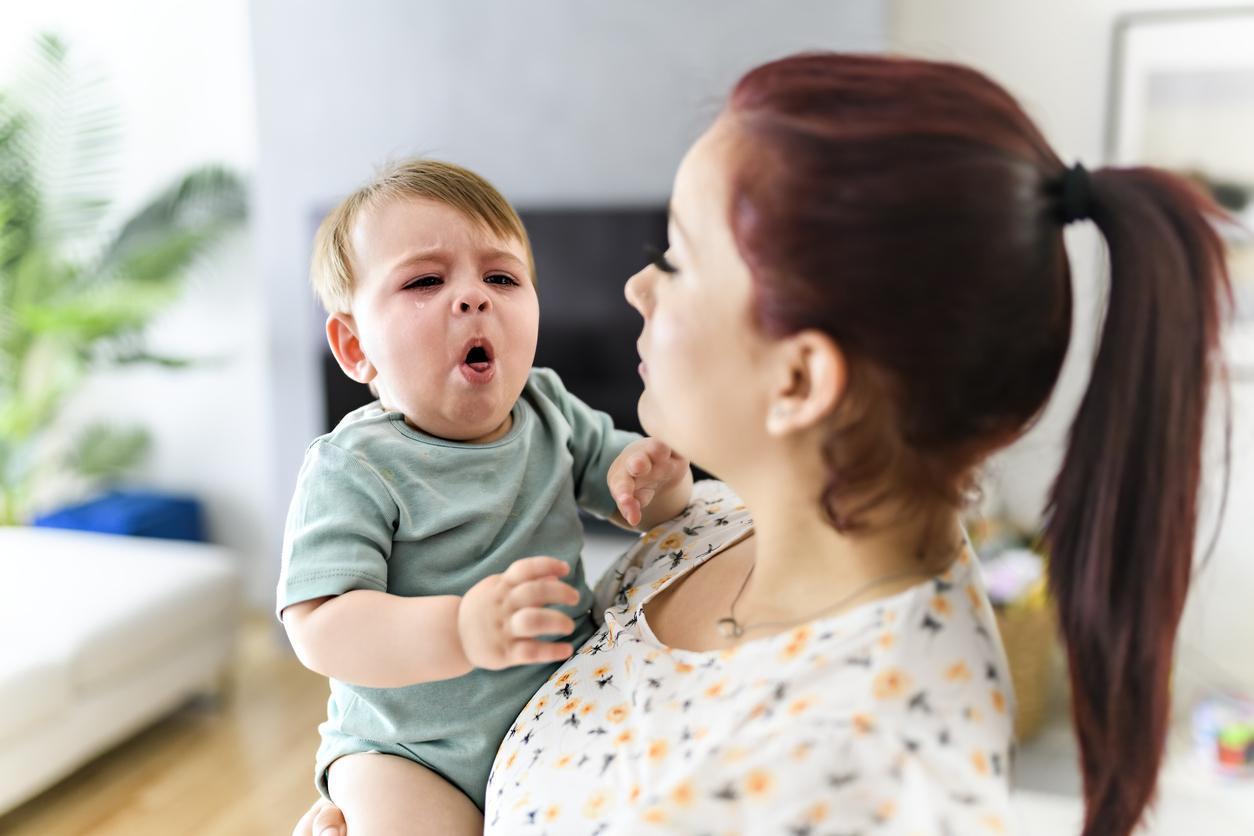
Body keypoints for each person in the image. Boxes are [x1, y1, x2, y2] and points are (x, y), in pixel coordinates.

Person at [294, 52, 1232, 836]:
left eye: (680, 256)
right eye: (422, 282)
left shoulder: (847, 771)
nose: (635, 288)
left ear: (799, 380)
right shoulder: (726, 524)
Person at [277, 159, 694, 833]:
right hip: (408, 753)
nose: (473, 297)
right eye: (424, 280)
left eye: (500, 277)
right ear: (355, 347)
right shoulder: (353, 465)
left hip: (556, 710)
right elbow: (320, 628)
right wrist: (461, 630)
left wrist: (660, 477)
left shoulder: (549, 406)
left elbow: (651, 509)